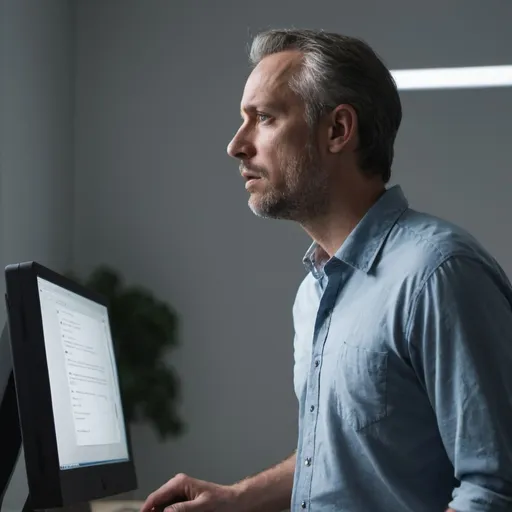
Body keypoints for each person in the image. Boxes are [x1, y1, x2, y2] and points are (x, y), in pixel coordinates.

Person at [141, 29, 512, 512]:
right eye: (242, 121)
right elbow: (350, 453)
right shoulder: (314, 292)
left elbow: (495, 489)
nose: (236, 145)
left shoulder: (439, 275)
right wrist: (237, 498)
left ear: (338, 130)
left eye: (265, 118)